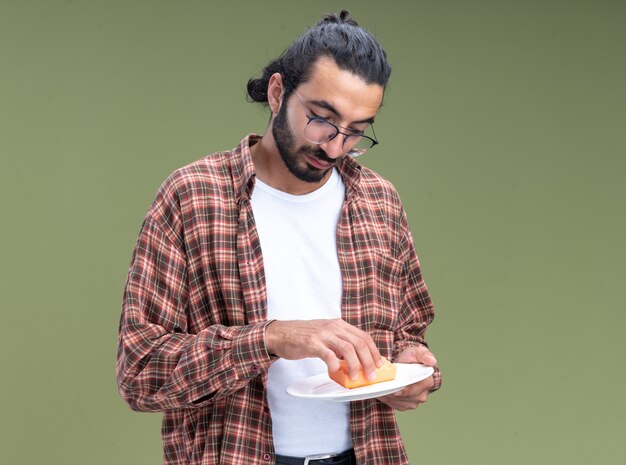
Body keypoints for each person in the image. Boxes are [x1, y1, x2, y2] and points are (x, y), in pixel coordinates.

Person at [116, 10, 441, 465]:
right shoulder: (192, 197)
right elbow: (141, 371)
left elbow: (409, 333)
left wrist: (413, 365)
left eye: (356, 132)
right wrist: (269, 339)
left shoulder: (379, 203)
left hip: (367, 454)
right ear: (276, 92)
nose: (334, 146)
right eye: (321, 120)